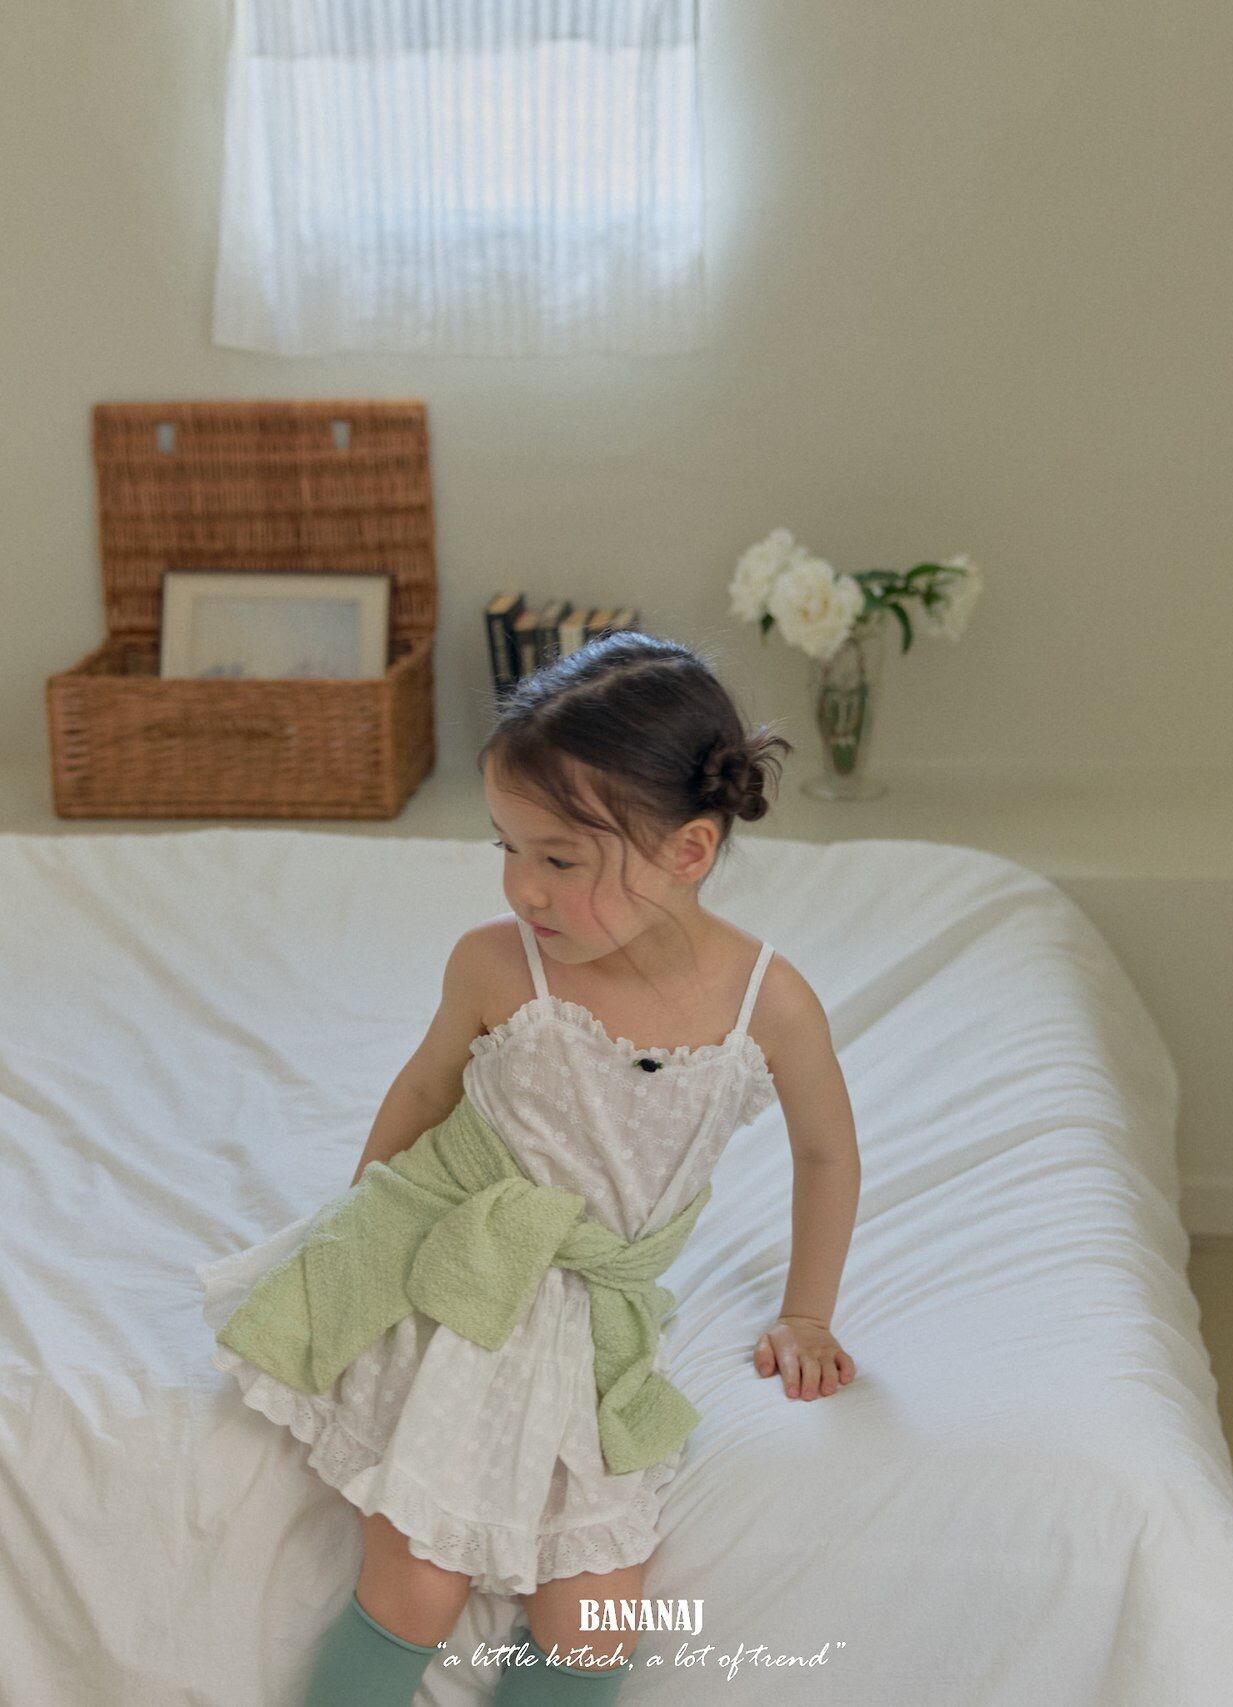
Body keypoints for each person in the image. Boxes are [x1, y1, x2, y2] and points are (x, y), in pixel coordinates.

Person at [196, 630, 861, 1704]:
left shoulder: (767, 1003)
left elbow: (825, 1153)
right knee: (417, 1585)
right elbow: (423, 1092)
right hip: (457, 1277)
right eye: (506, 848)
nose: (521, 888)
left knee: (594, 1622)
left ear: (688, 850)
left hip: (591, 1317)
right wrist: (357, 1227)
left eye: (557, 860)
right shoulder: (496, 967)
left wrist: (807, 1313)